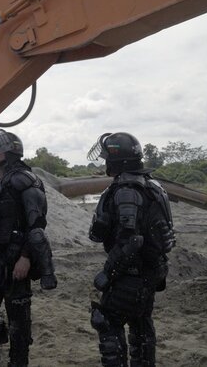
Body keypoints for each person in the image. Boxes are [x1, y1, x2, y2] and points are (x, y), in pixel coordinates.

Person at [0, 129, 57, 367]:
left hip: (14, 260)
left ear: (12, 152)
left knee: (18, 326)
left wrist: (25, 257)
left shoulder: (26, 181)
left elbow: (36, 225)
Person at [86, 132, 175, 367]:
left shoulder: (126, 189)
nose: (105, 163)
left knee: (106, 320)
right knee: (141, 323)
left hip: (132, 271)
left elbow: (131, 240)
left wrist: (108, 273)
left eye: (108, 158)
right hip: (151, 269)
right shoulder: (151, 185)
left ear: (118, 159)